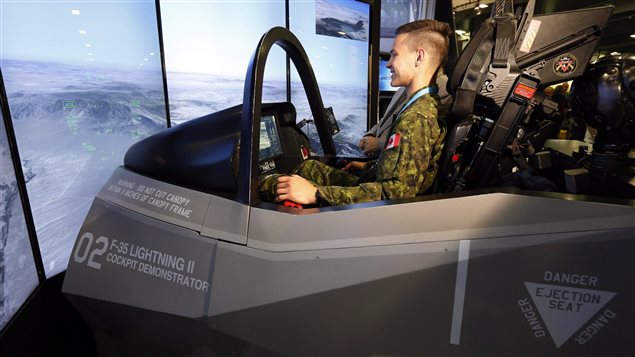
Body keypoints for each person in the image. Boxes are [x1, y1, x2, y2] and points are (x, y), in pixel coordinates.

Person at [259, 19, 452, 207]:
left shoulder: (417, 118)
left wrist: (315, 194)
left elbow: (393, 194)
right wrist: (370, 167)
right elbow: (406, 171)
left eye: (394, 55)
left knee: (274, 186)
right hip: (379, 190)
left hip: (380, 212)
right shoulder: (422, 105)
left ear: (419, 57)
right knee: (307, 168)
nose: (388, 64)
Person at [358, 70, 452, 157]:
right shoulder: (403, 89)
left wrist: (379, 144)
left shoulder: (444, 88)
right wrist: (369, 135)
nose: (389, 64)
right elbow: (385, 120)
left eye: (395, 55)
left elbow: (418, 141)